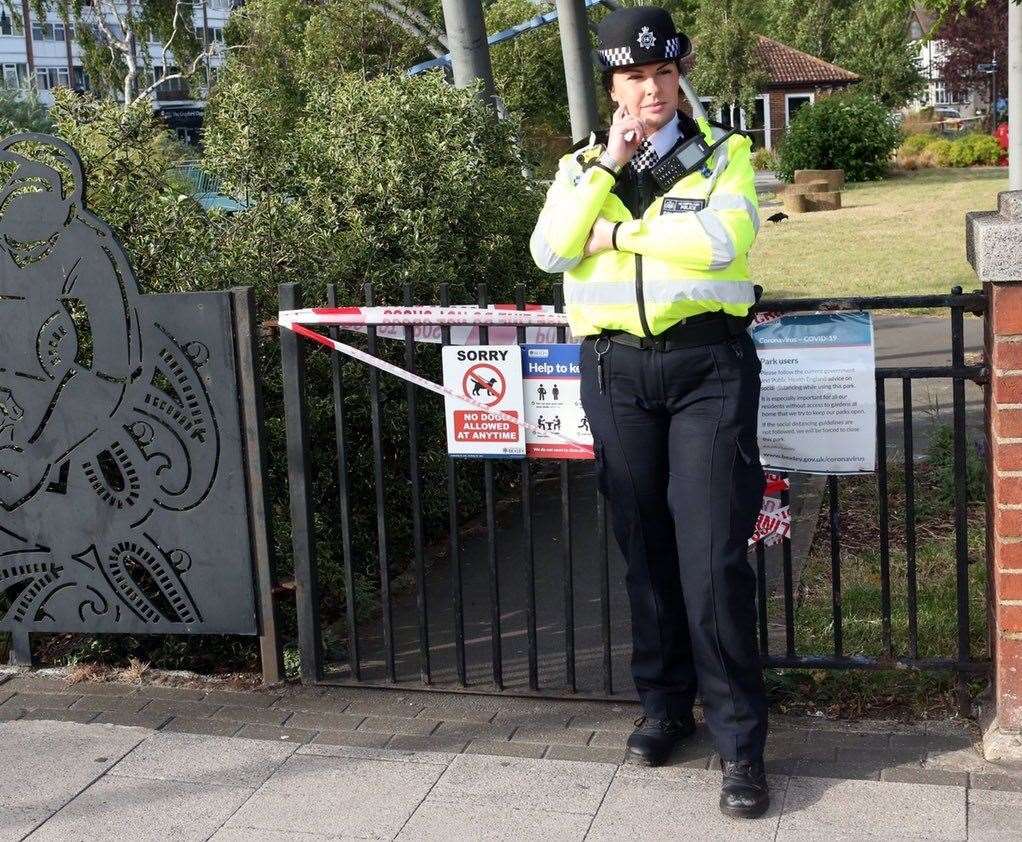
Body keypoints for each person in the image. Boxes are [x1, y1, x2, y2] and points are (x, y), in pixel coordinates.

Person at [529, 5, 768, 820]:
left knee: (711, 561)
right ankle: (665, 709)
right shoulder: (577, 168)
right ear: (612, 87)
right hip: (615, 371)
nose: (653, 90)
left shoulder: (725, 153)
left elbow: (721, 243)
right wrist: (606, 176)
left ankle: (740, 744)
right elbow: (551, 249)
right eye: (635, 78)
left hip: (708, 369)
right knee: (644, 550)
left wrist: (618, 238)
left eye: (664, 73)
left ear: (679, 74)